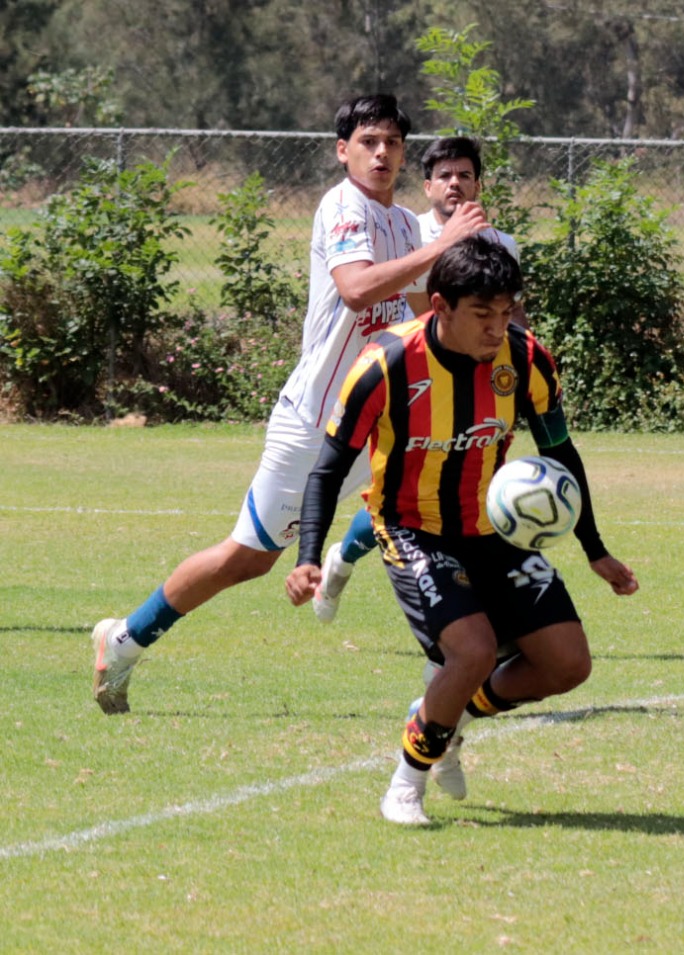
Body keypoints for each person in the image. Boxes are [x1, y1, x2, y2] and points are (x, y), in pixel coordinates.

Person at [91, 94, 491, 714]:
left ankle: (462, 673)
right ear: (343, 150)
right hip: (315, 425)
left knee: (429, 512)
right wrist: (443, 248)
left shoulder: (408, 226)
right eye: (368, 141)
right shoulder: (343, 207)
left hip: (377, 421)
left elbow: (417, 316)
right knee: (247, 559)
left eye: (391, 142)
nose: (381, 152)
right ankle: (123, 640)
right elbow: (357, 290)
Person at [286, 235, 638, 825]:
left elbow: (562, 455)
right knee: (471, 651)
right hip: (411, 528)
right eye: (483, 314)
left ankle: (443, 717)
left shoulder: (526, 359)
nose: (498, 327)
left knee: (567, 664)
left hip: (493, 531)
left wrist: (595, 550)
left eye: (506, 311)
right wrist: (308, 556)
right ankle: (405, 784)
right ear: (440, 305)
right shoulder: (385, 365)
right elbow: (326, 470)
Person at [313, 135, 521, 624]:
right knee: (410, 491)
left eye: (465, 175)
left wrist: (522, 370)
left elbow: (513, 323)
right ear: (426, 185)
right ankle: (344, 559)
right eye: (445, 176)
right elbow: (422, 319)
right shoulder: (413, 237)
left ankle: (459, 611)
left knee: (457, 488)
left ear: (477, 184)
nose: (455, 184)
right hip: (413, 383)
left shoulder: (500, 243)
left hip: (481, 382)